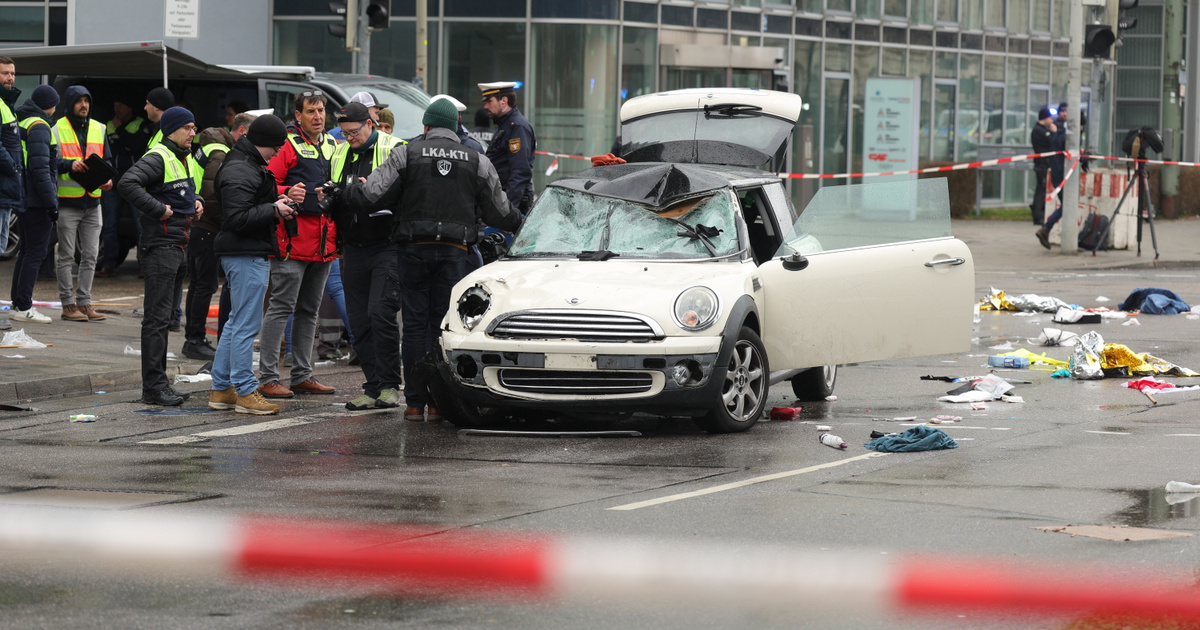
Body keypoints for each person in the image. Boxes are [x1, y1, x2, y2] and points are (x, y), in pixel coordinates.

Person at [341, 98, 522, 421]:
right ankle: (440, 403)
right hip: (455, 253)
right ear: (455, 128)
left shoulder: (407, 153)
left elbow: (372, 196)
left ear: (425, 127)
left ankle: (414, 403)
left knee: (412, 326)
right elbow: (501, 211)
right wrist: (524, 223)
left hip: (412, 250)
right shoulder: (476, 159)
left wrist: (347, 191)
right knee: (442, 326)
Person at [208, 114, 296, 415]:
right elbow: (237, 218)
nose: (276, 154)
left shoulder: (244, 164)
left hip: (244, 252)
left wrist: (276, 203)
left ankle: (222, 389)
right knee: (245, 325)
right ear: (264, 144)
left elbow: (243, 209)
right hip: (245, 254)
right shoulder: (241, 168)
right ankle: (246, 390)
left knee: (236, 323)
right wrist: (273, 209)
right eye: (275, 147)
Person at [117, 107, 203, 406]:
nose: (193, 133)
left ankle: (159, 384)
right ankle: (153, 387)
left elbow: (180, 193)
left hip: (178, 245)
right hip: (161, 248)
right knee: (156, 320)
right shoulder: (158, 156)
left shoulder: (182, 156)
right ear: (171, 130)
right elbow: (126, 183)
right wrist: (157, 209)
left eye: (194, 128)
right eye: (188, 128)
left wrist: (197, 201)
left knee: (165, 319)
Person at [258, 89, 339, 399]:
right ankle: (267, 377)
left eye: (320, 111)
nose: (317, 117)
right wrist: (288, 190)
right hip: (292, 241)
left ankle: (302, 375)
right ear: (298, 116)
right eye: (311, 112)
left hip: (324, 242)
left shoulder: (334, 144)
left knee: (309, 310)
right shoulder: (287, 146)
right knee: (281, 308)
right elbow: (264, 184)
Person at [324, 102, 405, 411]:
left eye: (354, 132)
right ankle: (373, 386)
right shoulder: (340, 152)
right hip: (353, 247)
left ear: (371, 123)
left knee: (380, 314)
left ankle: (389, 386)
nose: (349, 138)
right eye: (344, 133)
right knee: (359, 322)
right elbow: (336, 191)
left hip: (387, 244)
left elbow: (406, 193)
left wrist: (370, 192)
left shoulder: (394, 148)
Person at [53, 85, 113, 323]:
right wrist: (70, 164)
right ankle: (68, 305)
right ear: (70, 103)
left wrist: (107, 179)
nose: (84, 105)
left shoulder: (99, 128)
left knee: (90, 255)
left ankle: (85, 303)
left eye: (87, 101)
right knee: (66, 256)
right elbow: (50, 162)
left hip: (93, 201)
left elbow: (107, 159)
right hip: (68, 202)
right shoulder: (56, 129)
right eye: (79, 101)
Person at [180, 122, 239, 361]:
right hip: (207, 226)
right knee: (205, 285)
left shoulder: (204, 150)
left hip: (197, 225)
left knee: (198, 285)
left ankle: (194, 337)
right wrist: (229, 221)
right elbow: (213, 195)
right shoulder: (219, 153)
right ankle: (195, 340)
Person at [10, 85, 59, 326]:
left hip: (23, 196)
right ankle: (24, 305)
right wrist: (51, 203)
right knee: (36, 253)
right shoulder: (40, 126)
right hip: (37, 200)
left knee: (25, 251)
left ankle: (18, 303)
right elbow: (41, 170)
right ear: (49, 105)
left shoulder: (23, 121)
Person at [97, 96, 151, 277]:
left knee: (140, 226)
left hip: (135, 182)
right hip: (113, 183)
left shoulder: (141, 124)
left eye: (120, 104)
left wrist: (120, 133)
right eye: (115, 105)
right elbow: (110, 149)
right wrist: (124, 143)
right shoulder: (108, 125)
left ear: (130, 107)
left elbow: (136, 146)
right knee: (110, 225)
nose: (117, 108)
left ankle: (144, 264)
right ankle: (108, 264)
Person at [478, 81, 536, 212]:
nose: (486, 106)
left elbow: (520, 171)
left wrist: (508, 211)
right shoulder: (505, 125)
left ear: (503, 101)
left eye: (489, 101)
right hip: (503, 199)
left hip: (513, 202)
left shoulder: (517, 127)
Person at [0, 56, 23, 301]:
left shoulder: (6, 104)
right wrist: (14, 168)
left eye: (12, 73)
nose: (10, 78)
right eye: (5, 73)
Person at [1029, 105, 1055, 232]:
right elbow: (1051, 141)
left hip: (1045, 163)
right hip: (1042, 164)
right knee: (1041, 189)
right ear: (1044, 118)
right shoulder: (1039, 131)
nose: (1052, 121)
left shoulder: (1042, 129)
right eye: (1050, 118)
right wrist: (1054, 132)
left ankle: (1040, 212)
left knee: (1043, 188)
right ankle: (1037, 215)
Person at [143, 87, 174, 154]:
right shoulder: (159, 129)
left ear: (157, 106)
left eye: (148, 104)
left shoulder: (169, 132)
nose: (145, 108)